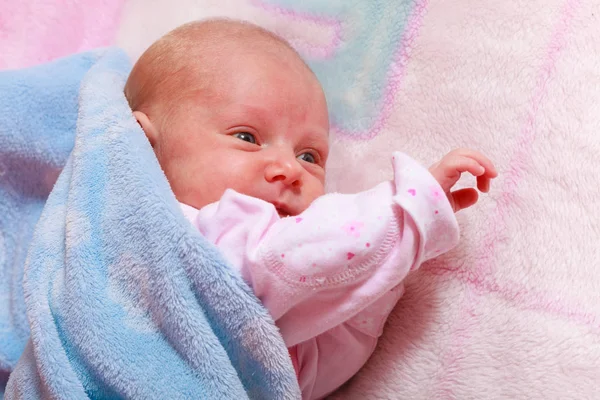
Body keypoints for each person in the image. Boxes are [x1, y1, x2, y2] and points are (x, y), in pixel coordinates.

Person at [125, 19, 498, 399]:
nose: (289, 169)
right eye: (247, 137)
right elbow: (279, 258)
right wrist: (407, 213)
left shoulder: (274, 302)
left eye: (309, 155)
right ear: (142, 143)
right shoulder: (186, 230)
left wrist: (378, 281)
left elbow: (318, 369)